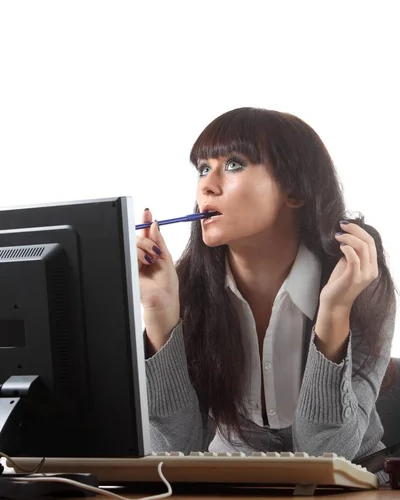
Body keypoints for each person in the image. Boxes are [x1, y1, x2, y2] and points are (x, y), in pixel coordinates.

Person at [136, 107, 396, 468]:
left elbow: (328, 455)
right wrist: (160, 314)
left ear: (295, 191)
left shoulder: (358, 281)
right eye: (203, 168)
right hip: (233, 488)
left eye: (234, 164)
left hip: (356, 488)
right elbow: (173, 450)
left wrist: (334, 313)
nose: (208, 185)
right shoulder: (189, 289)